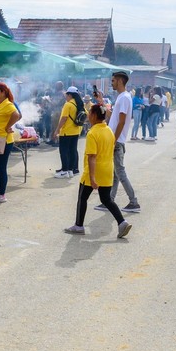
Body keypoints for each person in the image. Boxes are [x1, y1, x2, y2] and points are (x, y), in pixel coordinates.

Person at [65, 104, 132, 238]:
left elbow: (92, 157)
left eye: (90, 113)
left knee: (82, 198)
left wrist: (92, 177)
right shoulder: (108, 131)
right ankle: (122, 222)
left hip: (94, 172)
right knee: (106, 199)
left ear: (95, 116)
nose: (88, 115)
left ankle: (78, 225)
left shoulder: (93, 133)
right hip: (107, 170)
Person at [103, 70, 140, 213]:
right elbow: (115, 118)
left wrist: (114, 139)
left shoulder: (124, 97)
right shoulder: (122, 97)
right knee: (115, 173)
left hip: (117, 141)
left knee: (120, 173)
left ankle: (133, 202)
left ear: (119, 81)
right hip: (117, 140)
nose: (111, 83)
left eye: (113, 81)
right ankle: (109, 200)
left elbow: (122, 121)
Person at [54, 87, 85, 178]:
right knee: (72, 150)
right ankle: (71, 170)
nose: (65, 97)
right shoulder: (79, 104)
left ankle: (64, 171)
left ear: (70, 95)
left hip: (66, 132)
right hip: (76, 131)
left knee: (63, 151)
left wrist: (57, 129)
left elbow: (64, 118)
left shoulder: (68, 105)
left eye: (66, 95)